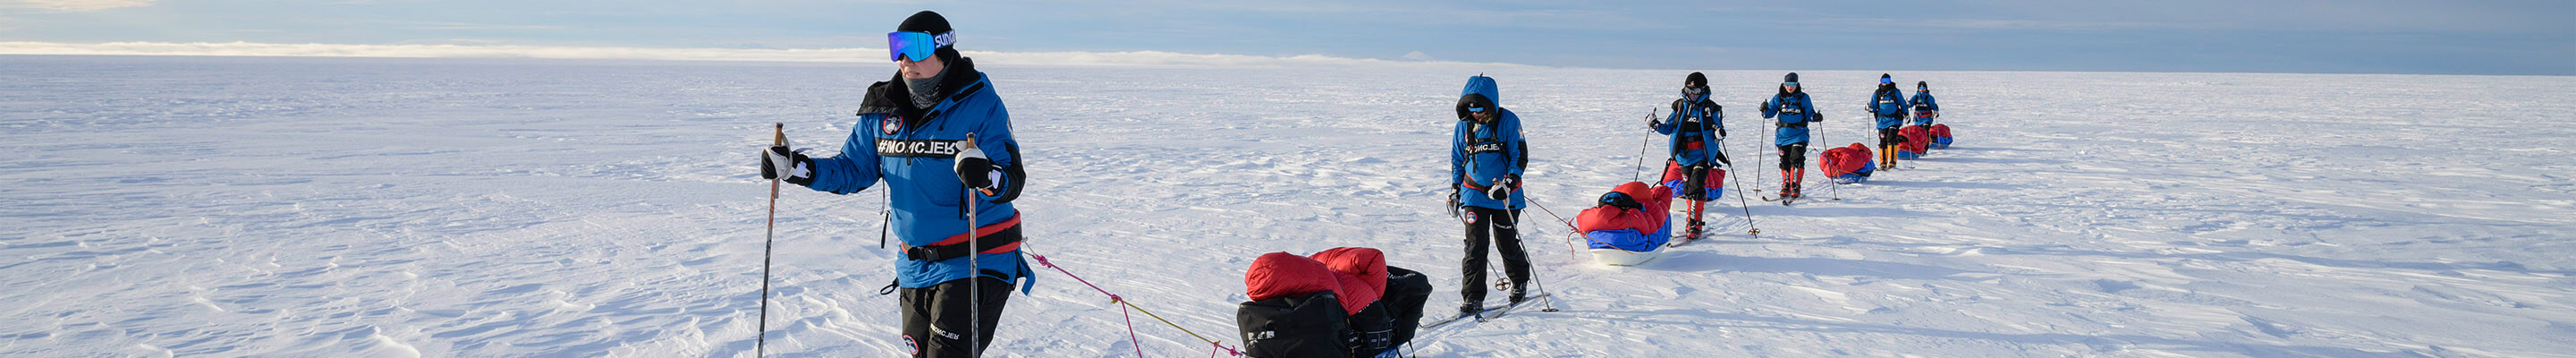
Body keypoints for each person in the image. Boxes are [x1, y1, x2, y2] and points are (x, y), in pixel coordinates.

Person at [759, 11, 1034, 357]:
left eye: (915, 49)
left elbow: (1012, 179)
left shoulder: (980, 105)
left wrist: (986, 175)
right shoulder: (883, 109)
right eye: (897, 49)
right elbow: (854, 169)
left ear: (944, 50)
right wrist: (797, 169)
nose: (905, 60)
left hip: (977, 260)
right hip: (915, 265)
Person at [1446, 74, 1531, 316]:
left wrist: (1509, 182)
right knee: (1475, 246)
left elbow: (1520, 156)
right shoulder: (1463, 126)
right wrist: (1455, 191)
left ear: (1491, 104)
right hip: (1473, 193)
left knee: (1506, 242)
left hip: (1506, 195)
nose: (1476, 114)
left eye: (1481, 109)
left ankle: (1520, 280)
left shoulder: (1509, 121)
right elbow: (1457, 159)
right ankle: (1473, 297)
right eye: (1471, 109)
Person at [1647, 72, 1730, 239]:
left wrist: (1719, 133)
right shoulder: (1679, 106)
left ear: (1704, 90)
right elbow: (1669, 128)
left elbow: (1717, 128)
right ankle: (1691, 220)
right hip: (1683, 157)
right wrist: (1654, 124)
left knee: (1696, 186)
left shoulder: (1712, 108)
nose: (1692, 94)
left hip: (1702, 156)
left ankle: (1694, 223)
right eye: (1689, 90)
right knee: (1687, 189)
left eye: (1696, 91)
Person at [1758, 72, 1822, 200]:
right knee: (1785, 161)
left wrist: (1815, 117)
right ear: (1784, 84)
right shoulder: (1779, 98)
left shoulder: (1803, 98)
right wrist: (1764, 110)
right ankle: (1786, 185)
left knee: (1796, 159)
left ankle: (1795, 185)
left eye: (1792, 84)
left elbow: (1809, 113)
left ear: (1797, 84)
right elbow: (1769, 114)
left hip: (1799, 134)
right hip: (1782, 135)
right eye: (1787, 84)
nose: (1790, 87)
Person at [1867, 73, 1911, 168]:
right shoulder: (1877, 93)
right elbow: (1873, 106)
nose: (1886, 83)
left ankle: (1892, 161)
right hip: (1882, 121)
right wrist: (1869, 108)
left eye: (1887, 80)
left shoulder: (1896, 92)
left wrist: (1906, 114)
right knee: (1883, 139)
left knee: (1891, 137)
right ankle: (1883, 162)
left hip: (1894, 120)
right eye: (1884, 81)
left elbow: (1902, 104)